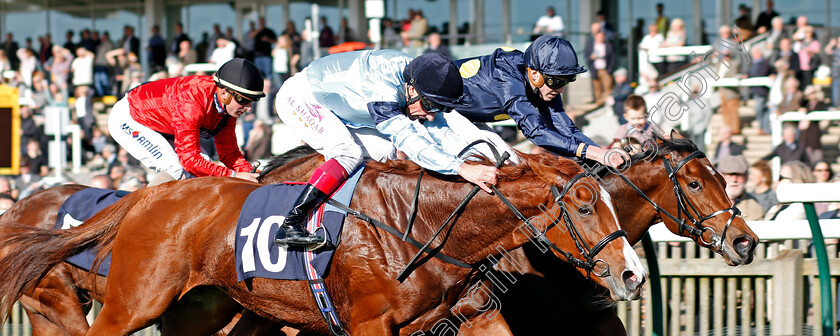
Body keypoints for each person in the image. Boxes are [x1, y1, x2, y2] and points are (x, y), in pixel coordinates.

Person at [273, 51, 499, 249]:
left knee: (384, 151)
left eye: (440, 108)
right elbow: (409, 141)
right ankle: (291, 223)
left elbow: (441, 131)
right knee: (347, 152)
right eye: (431, 106)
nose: (431, 114)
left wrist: (472, 161)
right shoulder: (382, 87)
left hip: (337, 106)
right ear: (411, 90)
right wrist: (459, 168)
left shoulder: (419, 82)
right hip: (301, 96)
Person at [454, 35, 629, 169]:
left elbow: (566, 128)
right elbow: (535, 130)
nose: (560, 90)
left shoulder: (544, 83)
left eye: (566, 81)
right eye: (556, 82)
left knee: (508, 160)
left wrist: (602, 153)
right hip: (437, 113)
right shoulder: (505, 77)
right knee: (504, 163)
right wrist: (593, 153)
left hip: (467, 119)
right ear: (535, 75)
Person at [107, 58, 263, 185]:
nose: (249, 108)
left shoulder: (228, 109)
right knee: (176, 168)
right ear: (224, 93)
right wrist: (234, 175)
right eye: (244, 100)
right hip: (129, 117)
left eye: (253, 101)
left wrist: (251, 174)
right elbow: (189, 160)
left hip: (163, 124)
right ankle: (142, 216)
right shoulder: (192, 102)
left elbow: (229, 153)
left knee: (205, 165)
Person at [716, 155, 765, 221]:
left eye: (739, 175)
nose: (734, 180)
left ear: (746, 177)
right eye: (729, 175)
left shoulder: (755, 209)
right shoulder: (706, 202)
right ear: (720, 177)